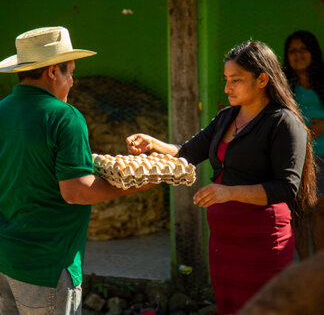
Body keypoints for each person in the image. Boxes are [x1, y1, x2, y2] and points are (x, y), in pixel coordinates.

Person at [126, 41, 317, 315]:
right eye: (226, 80)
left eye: (236, 80)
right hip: (224, 240)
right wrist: (154, 144)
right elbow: (187, 153)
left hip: (263, 239)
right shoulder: (227, 117)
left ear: (262, 79)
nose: (227, 88)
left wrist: (229, 192)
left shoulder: (283, 122)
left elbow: (286, 188)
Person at [0, 26, 150, 314]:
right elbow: (76, 192)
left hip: (5, 258)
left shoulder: (3, 110)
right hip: (47, 265)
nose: (72, 81)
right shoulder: (65, 117)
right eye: (70, 72)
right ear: (53, 71)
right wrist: (136, 185)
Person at [283, 30, 324, 258]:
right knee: (299, 214)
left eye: (303, 49)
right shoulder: (285, 87)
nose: (298, 55)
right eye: (292, 51)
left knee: (320, 211)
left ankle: (318, 270)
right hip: (299, 158)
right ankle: (305, 266)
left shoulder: (323, 83)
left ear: (313, 52)